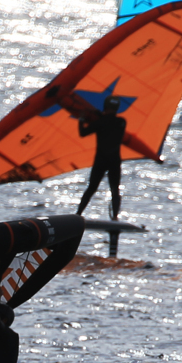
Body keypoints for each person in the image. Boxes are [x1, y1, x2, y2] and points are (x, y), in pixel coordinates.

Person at [75, 96, 126, 256]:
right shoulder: (121, 122)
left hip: (101, 160)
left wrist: (82, 119)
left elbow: (83, 133)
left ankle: (78, 214)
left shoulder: (100, 122)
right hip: (114, 160)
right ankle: (115, 217)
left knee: (91, 188)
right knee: (114, 189)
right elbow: (111, 121)